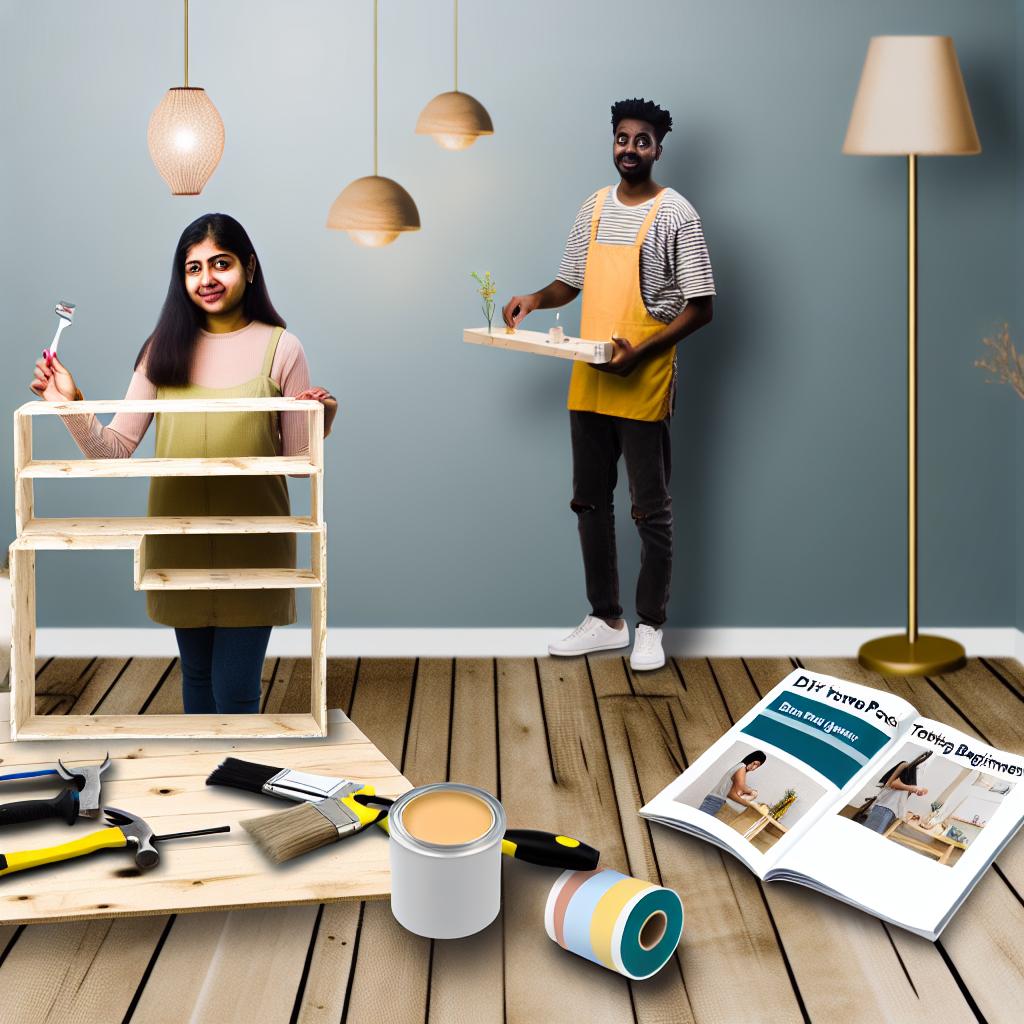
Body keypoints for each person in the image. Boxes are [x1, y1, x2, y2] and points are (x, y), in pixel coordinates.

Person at [30, 213, 337, 714]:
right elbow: (112, 450)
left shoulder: (283, 348)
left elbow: (298, 463)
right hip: (178, 541)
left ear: (249, 268)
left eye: (221, 263)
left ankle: (237, 787)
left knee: (235, 688)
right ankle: (204, 785)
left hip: (253, 544)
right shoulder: (161, 351)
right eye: (193, 268)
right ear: (182, 277)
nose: (207, 278)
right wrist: (69, 403)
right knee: (194, 677)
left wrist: (320, 414)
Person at [502, 97, 715, 671]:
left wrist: (638, 354)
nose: (630, 149)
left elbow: (700, 308)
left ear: (658, 149)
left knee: (651, 510)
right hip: (591, 374)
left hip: (642, 375)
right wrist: (534, 298)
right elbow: (570, 282)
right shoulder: (594, 207)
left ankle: (650, 626)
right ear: (613, 142)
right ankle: (605, 619)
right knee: (589, 502)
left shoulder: (677, 214)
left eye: (642, 141)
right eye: (622, 138)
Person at [861, 751, 932, 834]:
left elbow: (896, 786)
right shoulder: (908, 766)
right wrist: (914, 789)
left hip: (890, 809)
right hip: (886, 808)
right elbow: (893, 784)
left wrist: (915, 790)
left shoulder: (912, 769)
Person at [699, 752, 766, 817]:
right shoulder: (741, 767)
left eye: (757, 766)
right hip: (714, 801)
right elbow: (740, 788)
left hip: (717, 800)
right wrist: (751, 797)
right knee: (697, 825)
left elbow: (735, 792)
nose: (754, 768)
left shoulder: (740, 767)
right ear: (751, 759)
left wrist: (750, 798)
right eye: (755, 763)